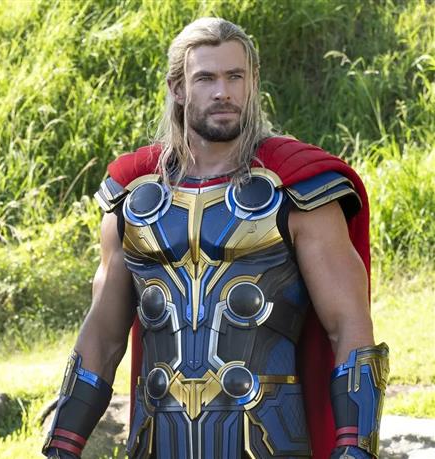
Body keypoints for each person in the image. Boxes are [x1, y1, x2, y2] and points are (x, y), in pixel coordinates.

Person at [43, 17, 389, 459]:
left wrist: (356, 448)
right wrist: (62, 446)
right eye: (206, 78)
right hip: (157, 445)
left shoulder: (301, 190)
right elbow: (102, 335)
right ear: (178, 88)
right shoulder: (131, 198)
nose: (223, 92)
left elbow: (349, 326)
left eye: (235, 77)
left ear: (252, 83)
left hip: (269, 445)